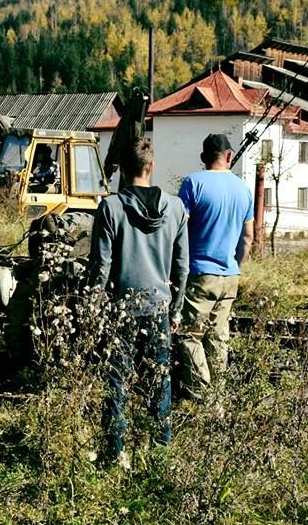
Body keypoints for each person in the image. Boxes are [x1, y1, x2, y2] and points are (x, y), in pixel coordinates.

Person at [87, 138, 188, 466]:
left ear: (123, 171)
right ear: (151, 167)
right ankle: (160, 454)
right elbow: (182, 266)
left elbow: (100, 265)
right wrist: (176, 309)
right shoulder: (175, 209)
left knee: (116, 380)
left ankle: (114, 453)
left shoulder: (110, 208)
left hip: (121, 309)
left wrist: (92, 307)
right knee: (160, 381)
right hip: (159, 307)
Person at [176, 134, 255, 400]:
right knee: (218, 338)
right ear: (230, 156)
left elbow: (180, 229)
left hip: (200, 273)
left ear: (203, 157)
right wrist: (236, 265)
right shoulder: (243, 189)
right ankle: (218, 399)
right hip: (230, 274)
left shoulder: (193, 183)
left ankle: (203, 395)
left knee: (190, 336)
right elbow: (248, 237)